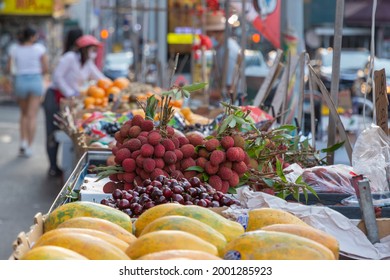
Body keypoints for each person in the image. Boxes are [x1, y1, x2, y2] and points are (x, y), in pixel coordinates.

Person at [43, 34, 106, 177]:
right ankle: (53, 166)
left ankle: (63, 168)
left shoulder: (87, 63)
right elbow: (57, 77)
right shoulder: (70, 58)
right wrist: (71, 92)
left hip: (69, 102)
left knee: (65, 133)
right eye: (92, 49)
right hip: (54, 98)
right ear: (84, 49)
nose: (94, 52)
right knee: (52, 131)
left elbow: (100, 78)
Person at [6, 27, 49, 157]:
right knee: (32, 115)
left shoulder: (14, 49)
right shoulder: (40, 49)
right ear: (32, 37)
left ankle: (23, 143)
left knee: (24, 114)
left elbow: (8, 68)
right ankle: (30, 146)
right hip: (35, 80)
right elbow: (46, 68)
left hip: (20, 81)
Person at [205, 10, 244, 105]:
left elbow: (229, 88)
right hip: (221, 101)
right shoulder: (220, 49)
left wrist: (208, 94)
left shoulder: (229, 51)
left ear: (220, 32)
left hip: (231, 103)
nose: (210, 37)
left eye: (211, 34)